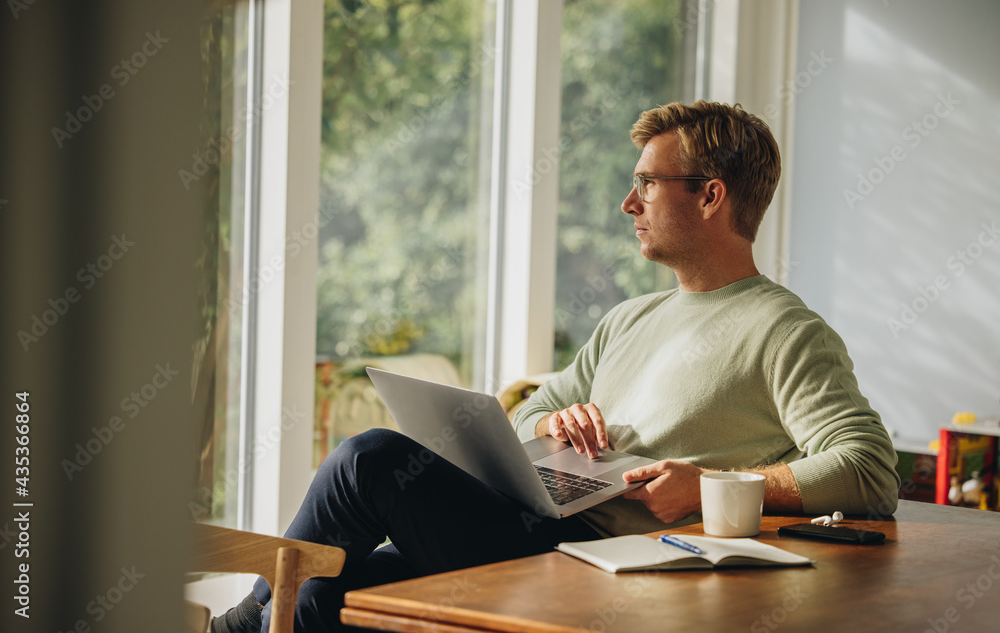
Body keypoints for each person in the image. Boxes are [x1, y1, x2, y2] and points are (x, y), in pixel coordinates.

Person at [212, 101, 899, 633]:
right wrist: (557, 417)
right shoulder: (630, 317)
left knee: (370, 459)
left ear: (710, 195)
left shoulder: (786, 330)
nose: (628, 204)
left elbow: (869, 468)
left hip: (600, 564)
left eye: (647, 185)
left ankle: (237, 625)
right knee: (324, 595)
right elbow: (530, 414)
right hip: (531, 522)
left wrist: (708, 485)